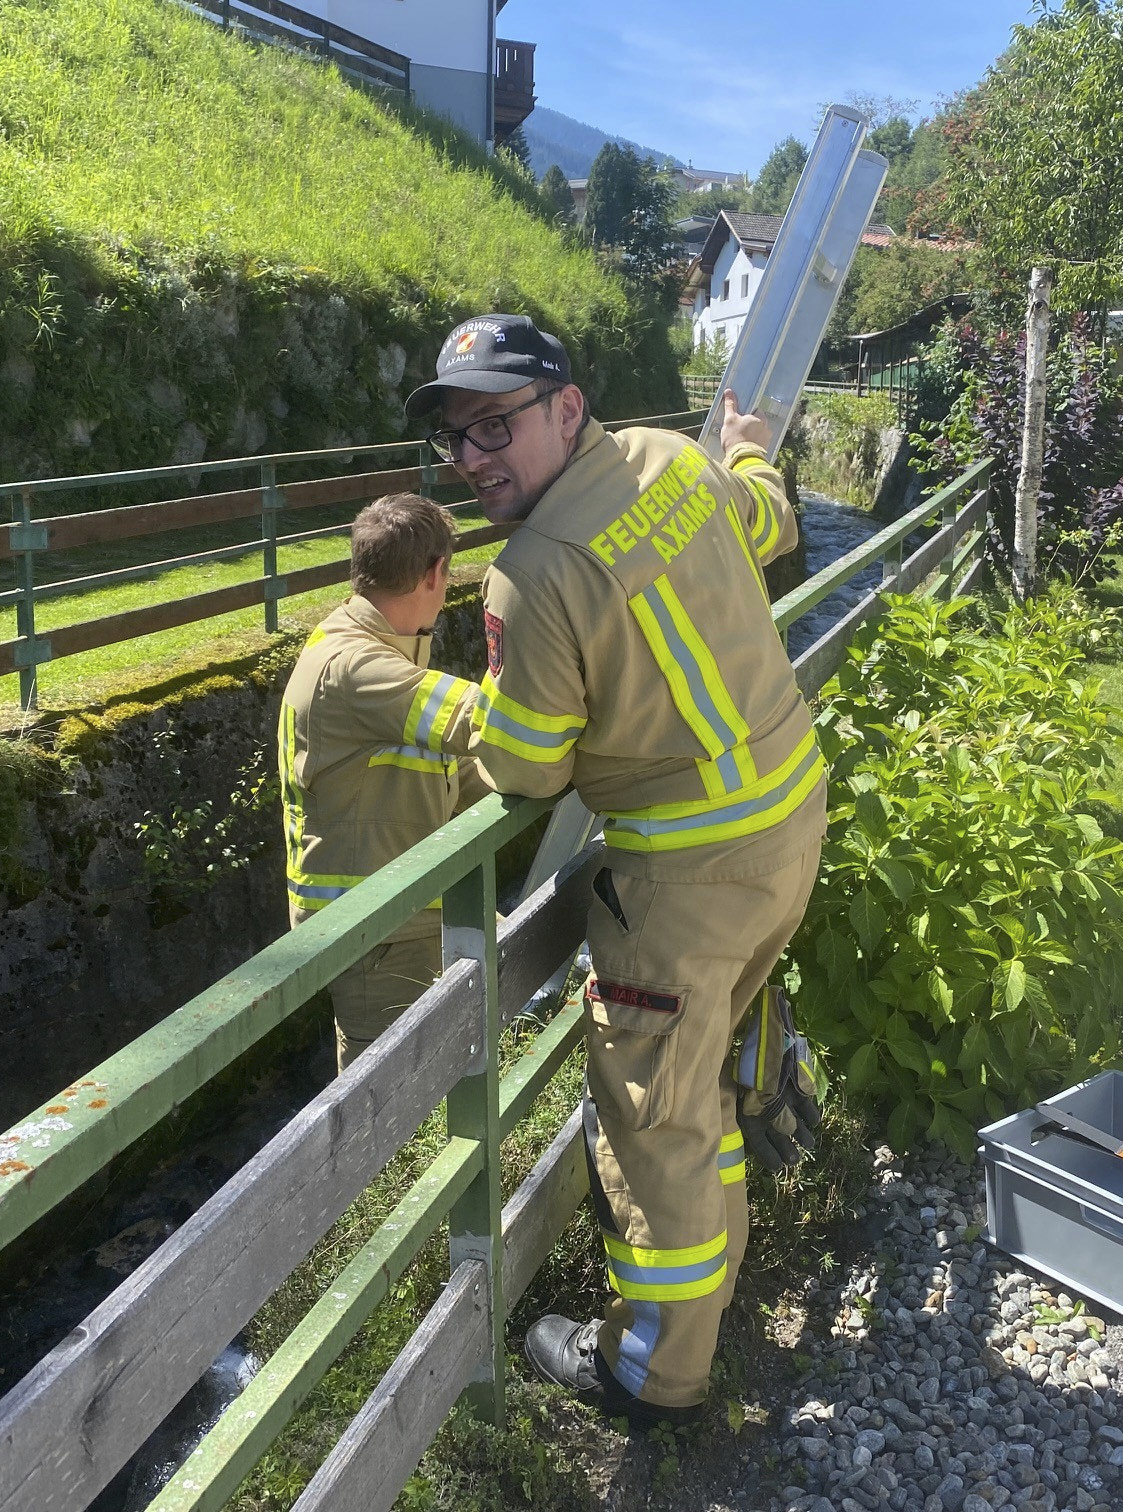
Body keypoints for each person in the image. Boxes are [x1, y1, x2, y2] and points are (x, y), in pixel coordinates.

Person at [407, 313, 826, 1423]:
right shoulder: (671, 457)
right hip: (788, 820)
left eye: (495, 425)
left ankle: (655, 1373)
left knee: (654, 1123)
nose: (474, 459)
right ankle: (716, 1285)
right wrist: (747, 448)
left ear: (566, 409)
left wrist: (472, 715)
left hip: (686, 882)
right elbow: (768, 516)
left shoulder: (532, 573)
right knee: (698, 1084)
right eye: (456, 437)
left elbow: (528, 768)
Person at [277, 493, 486, 1073]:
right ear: (434, 574)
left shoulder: (368, 646)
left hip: (397, 911)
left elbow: (452, 769)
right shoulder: (360, 667)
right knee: (388, 1099)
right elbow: (483, 718)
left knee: (413, 1083)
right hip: (376, 924)